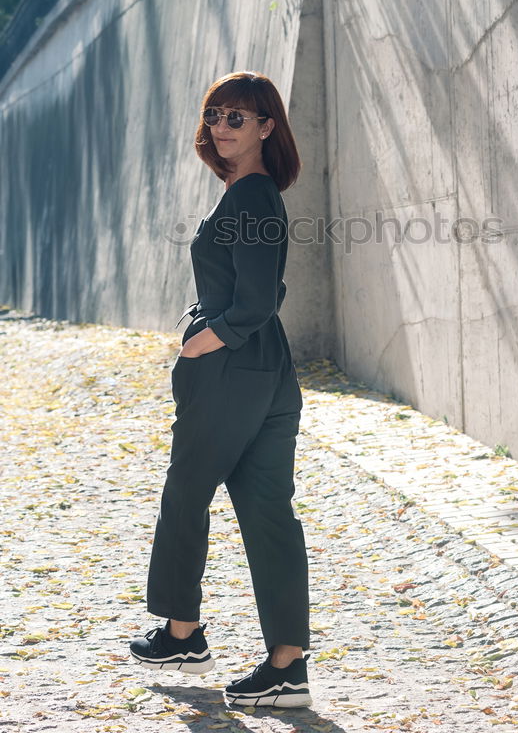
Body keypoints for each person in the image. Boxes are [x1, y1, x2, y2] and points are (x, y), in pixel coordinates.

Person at [129, 71, 311, 709]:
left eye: (239, 117)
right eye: (215, 115)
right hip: (269, 371)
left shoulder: (252, 196)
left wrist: (207, 337)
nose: (222, 126)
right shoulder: (248, 195)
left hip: (235, 368)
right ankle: (287, 668)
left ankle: (182, 632)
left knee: (186, 493)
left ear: (267, 127)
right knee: (267, 511)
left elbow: (260, 299)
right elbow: (268, 292)